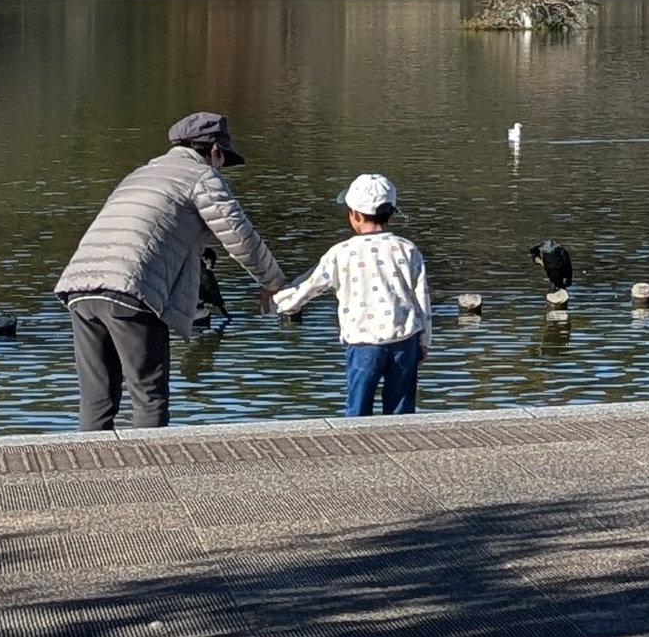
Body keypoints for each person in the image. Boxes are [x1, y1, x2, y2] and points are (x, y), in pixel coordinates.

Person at [53, 109, 284, 430]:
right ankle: (151, 475)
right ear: (214, 150)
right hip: (130, 290)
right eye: (222, 160)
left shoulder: (143, 173)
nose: (222, 168)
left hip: (79, 287)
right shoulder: (201, 176)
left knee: (97, 399)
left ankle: (92, 475)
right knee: (149, 395)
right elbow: (239, 236)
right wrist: (273, 280)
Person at [269, 171, 430, 415]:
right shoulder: (408, 249)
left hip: (363, 343)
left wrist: (283, 302)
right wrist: (424, 341)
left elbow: (312, 284)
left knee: (358, 409)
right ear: (391, 213)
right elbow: (422, 299)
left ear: (354, 215)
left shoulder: (342, 252)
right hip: (404, 341)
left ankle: (356, 449)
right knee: (401, 409)